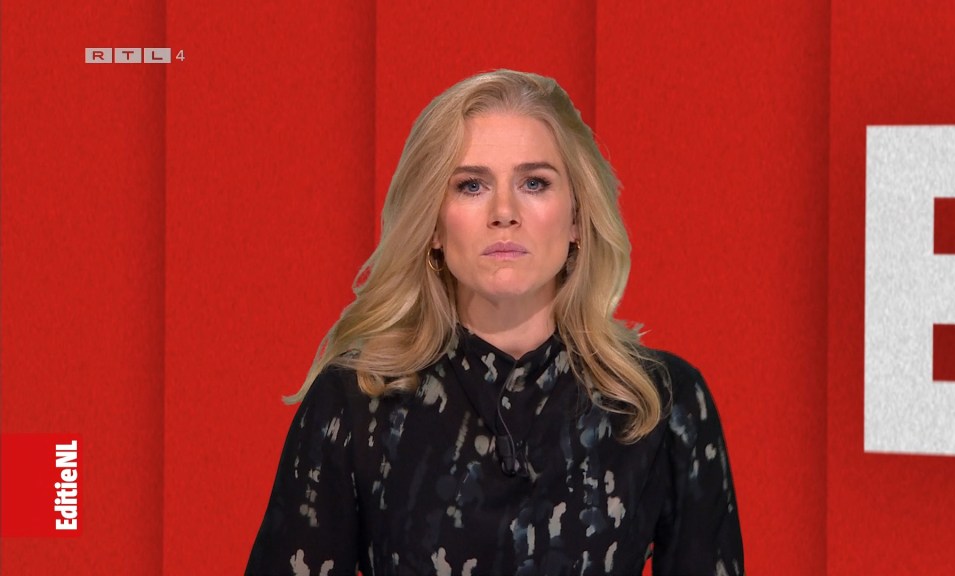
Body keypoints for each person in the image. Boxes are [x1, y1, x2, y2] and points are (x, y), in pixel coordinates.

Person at [245, 69, 743, 576]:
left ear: (576, 217)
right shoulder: (354, 401)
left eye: (534, 182)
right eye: (471, 185)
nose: (504, 212)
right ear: (433, 225)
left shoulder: (661, 401)